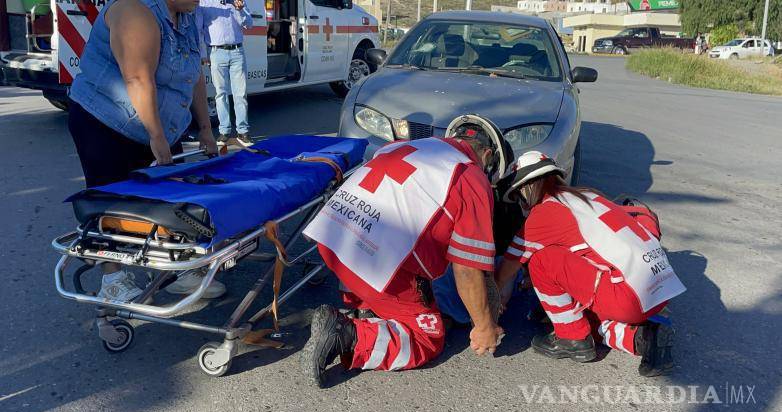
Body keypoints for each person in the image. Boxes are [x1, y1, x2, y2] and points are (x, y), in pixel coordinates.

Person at [300, 119, 505, 387]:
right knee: (427, 337)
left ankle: (368, 309)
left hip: (332, 241)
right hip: (371, 264)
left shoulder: (403, 146)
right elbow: (467, 268)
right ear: (487, 155)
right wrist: (484, 326)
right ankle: (348, 334)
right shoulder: (470, 176)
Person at [67, 0, 225, 301]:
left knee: (167, 197)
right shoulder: (134, 10)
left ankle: (171, 268)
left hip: (157, 125)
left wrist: (205, 128)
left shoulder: (186, 17)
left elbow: (194, 75)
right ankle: (113, 281)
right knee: (110, 202)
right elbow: (138, 77)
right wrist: (157, 137)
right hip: (105, 121)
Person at [494, 152, 686, 377]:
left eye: (518, 197)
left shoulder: (542, 214)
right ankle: (643, 338)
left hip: (628, 299)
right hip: (659, 290)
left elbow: (508, 268)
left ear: (526, 190)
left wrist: (490, 302)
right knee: (582, 318)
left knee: (541, 261)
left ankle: (570, 337)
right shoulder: (586, 195)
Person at [196, 0, 254, 147]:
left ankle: (243, 131)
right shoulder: (204, 3)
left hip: (237, 51)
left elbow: (249, 24)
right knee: (220, 93)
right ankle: (224, 131)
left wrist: (240, 10)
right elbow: (199, 29)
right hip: (216, 52)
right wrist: (203, 54)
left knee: (240, 93)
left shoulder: (237, 1)